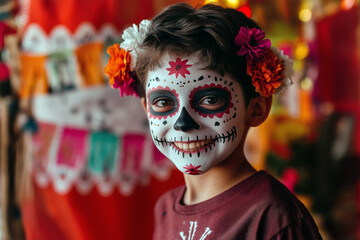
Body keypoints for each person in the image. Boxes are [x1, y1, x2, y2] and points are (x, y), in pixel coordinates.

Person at [105, 3, 322, 239]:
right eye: (163, 103)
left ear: (257, 108)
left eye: (209, 100)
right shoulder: (165, 210)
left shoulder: (275, 218)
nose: (183, 123)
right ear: (147, 110)